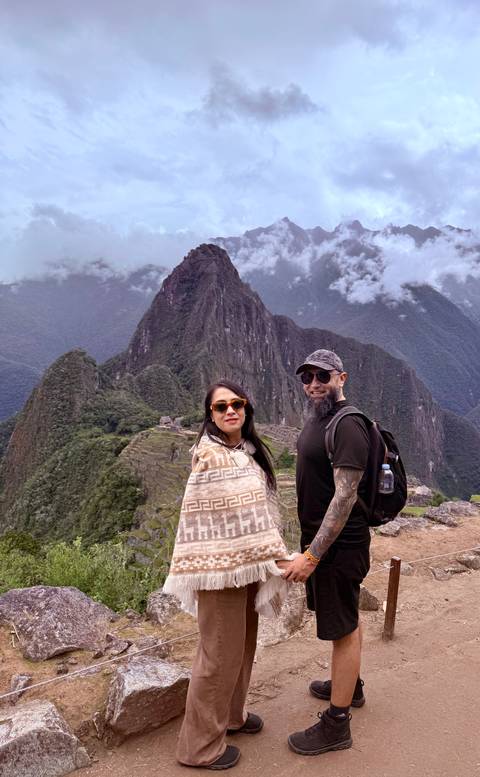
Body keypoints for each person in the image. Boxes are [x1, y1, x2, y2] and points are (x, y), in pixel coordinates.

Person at [163, 380, 291, 770]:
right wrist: (281, 559)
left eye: (237, 404)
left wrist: (266, 557)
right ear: (211, 416)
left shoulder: (245, 452)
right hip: (218, 573)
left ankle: (231, 718)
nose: (230, 411)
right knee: (217, 657)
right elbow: (231, 520)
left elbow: (255, 516)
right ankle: (199, 748)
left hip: (245, 567)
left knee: (241, 647)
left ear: (247, 408)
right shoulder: (212, 457)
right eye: (221, 407)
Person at [283, 349, 370, 756]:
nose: (314, 384)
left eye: (323, 376)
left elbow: (344, 499)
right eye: (308, 377)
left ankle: (337, 725)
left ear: (341, 378)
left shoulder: (348, 424)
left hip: (338, 547)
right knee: (346, 618)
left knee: (342, 627)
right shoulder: (320, 419)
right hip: (325, 545)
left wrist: (313, 555)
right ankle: (348, 687)